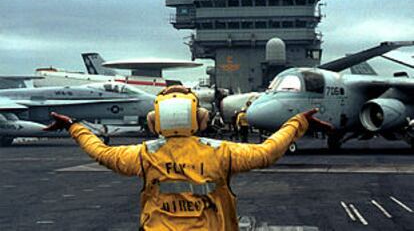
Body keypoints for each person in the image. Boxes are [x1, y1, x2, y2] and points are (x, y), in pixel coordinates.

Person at [45, 85, 333, 231]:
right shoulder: (220, 152)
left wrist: (74, 126)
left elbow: (102, 153)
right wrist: (297, 123)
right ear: (199, 118)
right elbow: (267, 152)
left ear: (155, 120)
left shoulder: (146, 154)